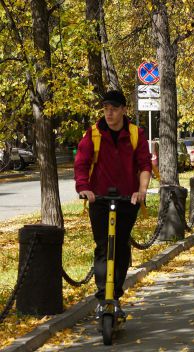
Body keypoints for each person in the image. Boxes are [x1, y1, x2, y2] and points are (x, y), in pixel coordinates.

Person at [74, 90, 152, 319]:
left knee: (120, 247)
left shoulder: (136, 134)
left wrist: (142, 191)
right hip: (99, 199)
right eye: (106, 108)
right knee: (102, 246)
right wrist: (84, 188)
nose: (109, 112)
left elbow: (145, 165)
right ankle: (103, 297)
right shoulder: (94, 134)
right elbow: (81, 163)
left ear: (124, 110)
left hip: (128, 200)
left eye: (114, 108)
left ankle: (115, 294)